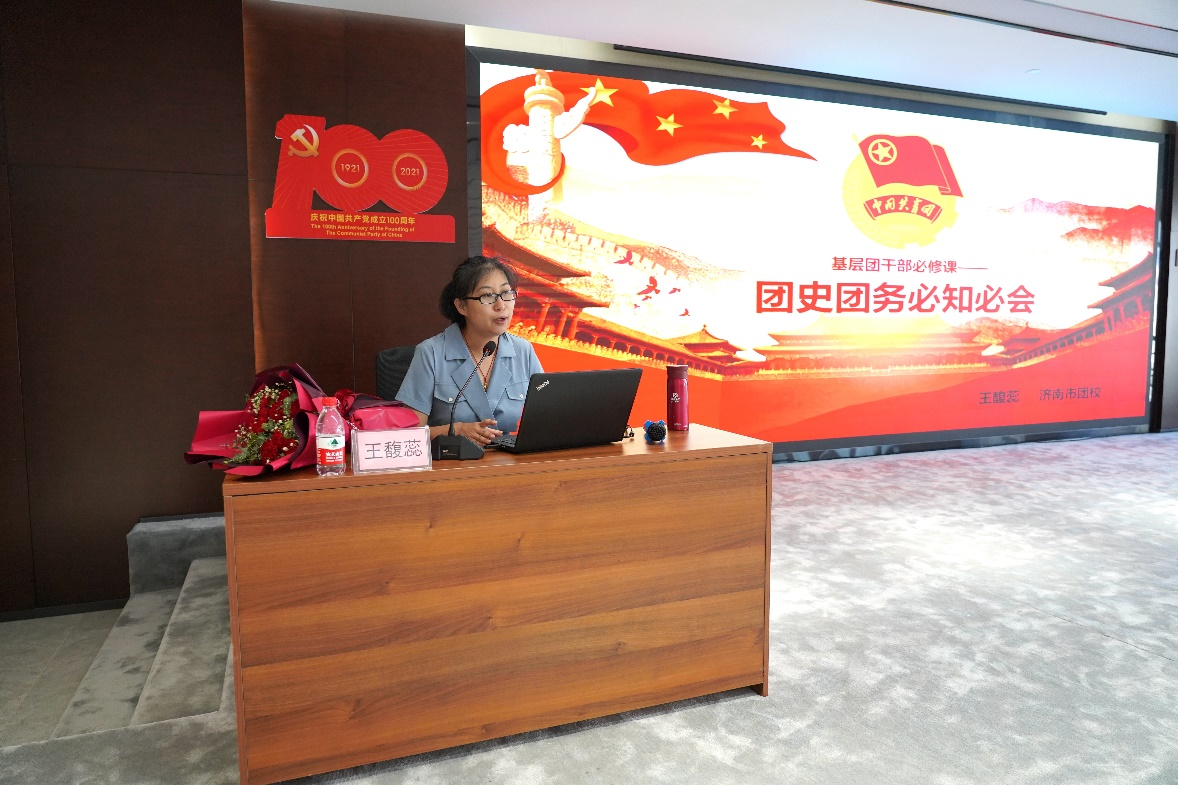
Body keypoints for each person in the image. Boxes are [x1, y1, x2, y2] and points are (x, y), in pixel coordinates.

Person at [396, 255, 543, 447]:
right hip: (452, 461)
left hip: (508, 460)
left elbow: (547, 416)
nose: (501, 305)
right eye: (487, 296)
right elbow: (408, 436)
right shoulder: (430, 353)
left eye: (506, 293)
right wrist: (456, 430)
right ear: (461, 306)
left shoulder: (523, 351)